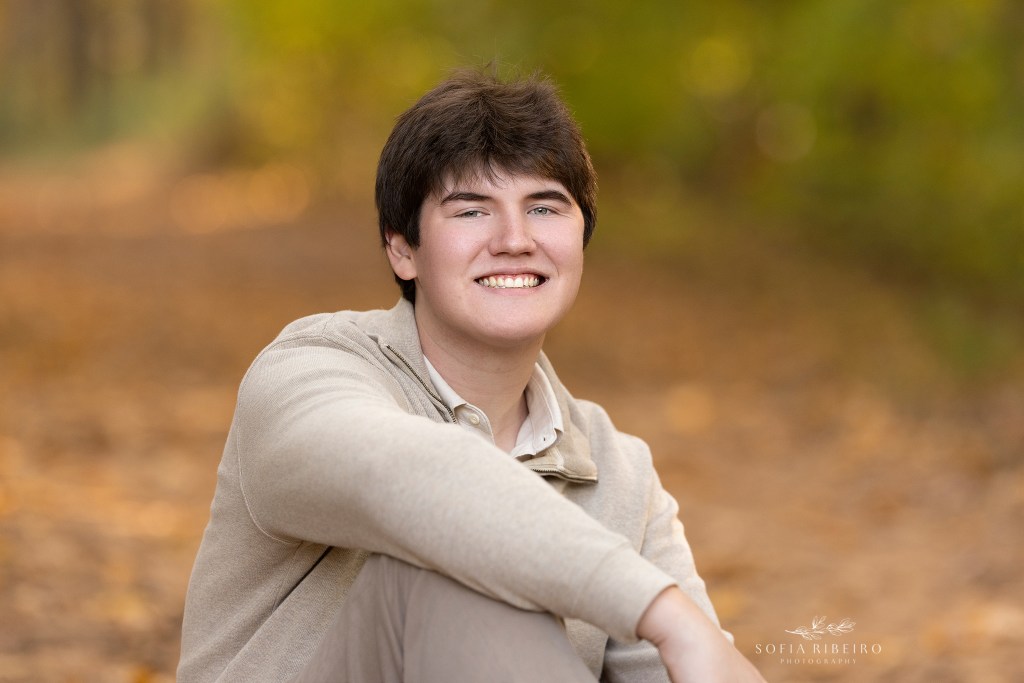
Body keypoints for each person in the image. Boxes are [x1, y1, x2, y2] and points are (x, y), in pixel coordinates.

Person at [178, 69, 766, 683]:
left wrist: (683, 637)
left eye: (544, 207)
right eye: (471, 211)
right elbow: (406, 479)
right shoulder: (307, 373)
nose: (515, 239)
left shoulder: (618, 472)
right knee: (450, 574)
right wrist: (661, 610)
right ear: (403, 249)